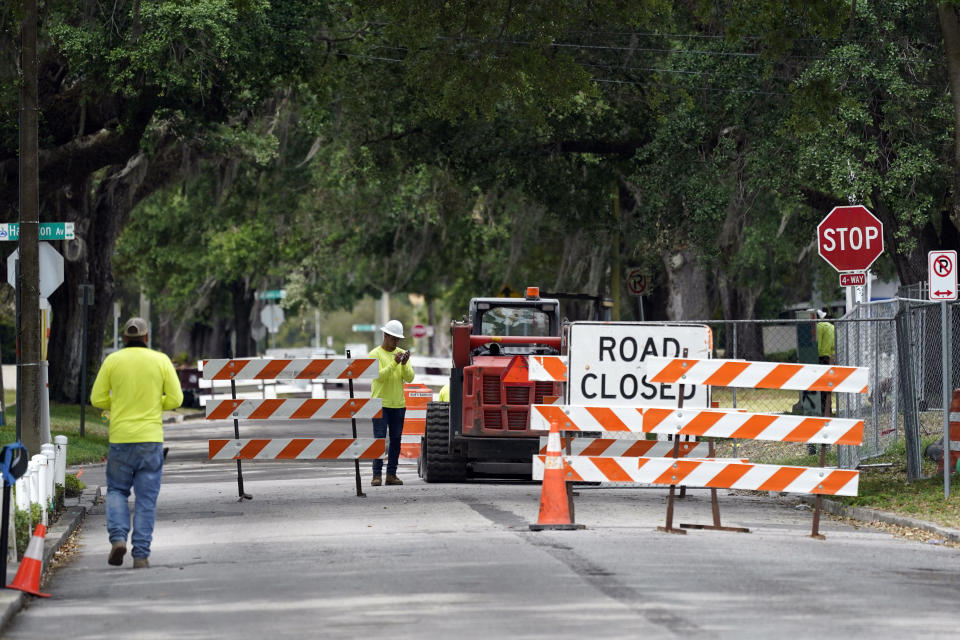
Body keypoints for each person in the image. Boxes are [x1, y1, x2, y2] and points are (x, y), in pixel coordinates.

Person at [91, 317, 183, 568]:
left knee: (117, 491)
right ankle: (141, 555)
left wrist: (119, 404)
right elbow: (176, 398)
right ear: (146, 337)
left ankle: (118, 538)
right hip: (150, 440)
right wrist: (154, 403)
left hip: (120, 438)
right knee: (145, 500)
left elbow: (97, 399)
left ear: (124, 338)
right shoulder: (160, 360)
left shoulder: (113, 361)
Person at [368, 320, 415, 486]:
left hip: (398, 404)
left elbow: (409, 377)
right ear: (385, 336)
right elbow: (379, 376)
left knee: (396, 440)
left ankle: (391, 474)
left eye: (398, 339)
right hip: (380, 402)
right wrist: (394, 362)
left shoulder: (401, 354)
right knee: (379, 440)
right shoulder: (375, 354)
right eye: (393, 338)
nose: (396, 342)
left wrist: (403, 364)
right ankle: (376, 475)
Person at [816, 309, 836, 418]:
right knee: (827, 387)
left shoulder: (820, 326)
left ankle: (819, 410)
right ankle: (828, 410)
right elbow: (833, 347)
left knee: (819, 386)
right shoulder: (832, 327)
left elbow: (817, 344)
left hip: (820, 357)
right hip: (829, 358)